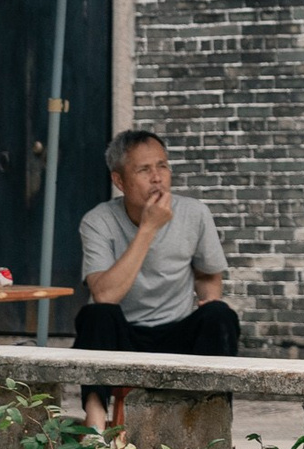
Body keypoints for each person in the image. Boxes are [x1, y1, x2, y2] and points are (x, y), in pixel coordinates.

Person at [75, 130, 239, 430]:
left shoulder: (194, 213)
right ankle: (95, 426)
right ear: (119, 181)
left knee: (220, 315)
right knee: (95, 315)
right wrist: (148, 229)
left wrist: (209, 299)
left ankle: (212, 424)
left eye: (162, 166)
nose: (157, 178)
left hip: (176, 334)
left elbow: (207, 275)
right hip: (123, 338)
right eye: (144, 170)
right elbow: (105, 295)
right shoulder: (98, 221)